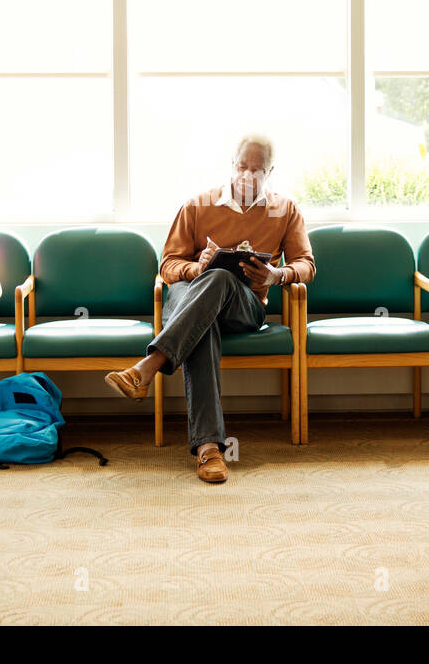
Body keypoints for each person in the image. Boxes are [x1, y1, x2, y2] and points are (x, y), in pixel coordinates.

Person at [106, 134, 315, 483]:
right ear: (232, 165)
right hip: (191, 302)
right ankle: (209, 450)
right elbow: (168, 265)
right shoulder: (198, 205)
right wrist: (195, 268)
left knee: (218, 280)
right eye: (241, 167)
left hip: (245, 308)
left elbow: (306, 265)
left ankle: (150, 365)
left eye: (257, 170)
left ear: (271, 171)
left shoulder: (285, 209)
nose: (248, 176)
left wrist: (277, 274)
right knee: (205, 314)